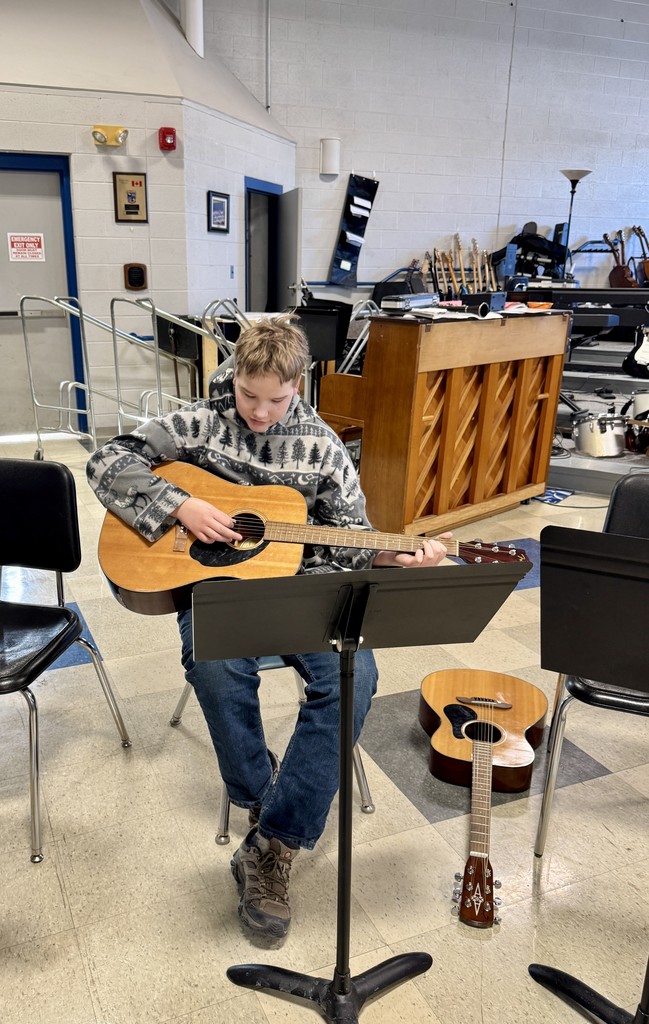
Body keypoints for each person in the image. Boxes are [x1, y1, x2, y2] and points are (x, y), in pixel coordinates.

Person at [87, 313, 449, 945]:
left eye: (275, 400)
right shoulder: (200, 421)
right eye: (249, 395)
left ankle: (273, 844)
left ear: (299, 385)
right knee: (213, 660)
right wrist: (182, 504)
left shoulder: (322, 446)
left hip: (302, 593)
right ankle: (262, 795)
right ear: (236, 377)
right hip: (218, 592)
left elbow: (353, 541)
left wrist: (389, 555)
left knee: (354, 673)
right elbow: (105, 461)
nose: (258, 411)